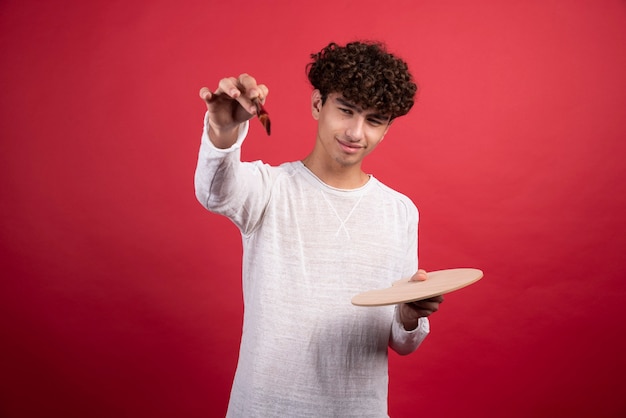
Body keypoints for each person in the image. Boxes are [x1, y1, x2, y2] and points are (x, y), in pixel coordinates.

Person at [194, 41, 443, 417]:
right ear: (317, 105)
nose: (356, 132)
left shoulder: (399, 211)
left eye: (374, 120)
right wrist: (222, 133)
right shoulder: (270, 188)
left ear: (387, 129)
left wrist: (410, 315)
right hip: (265, 407)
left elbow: (400, 339)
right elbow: (214, 193)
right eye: (346, 110)